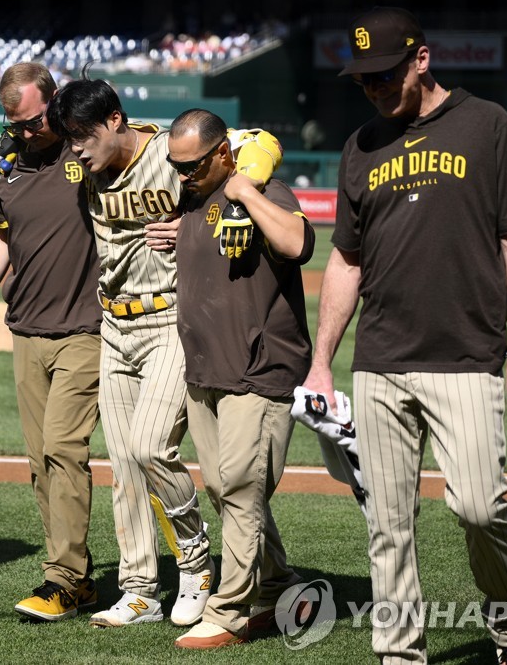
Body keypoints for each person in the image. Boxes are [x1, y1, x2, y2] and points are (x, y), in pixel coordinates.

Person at [301, 8, 507, 665]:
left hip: (464, 356)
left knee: (478, 509)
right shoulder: (362, 146)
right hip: (378, 361)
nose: (375, 88)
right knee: (388, 524)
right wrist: (322, 362)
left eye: (384, 74)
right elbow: (346, 261)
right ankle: (399, 654)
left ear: (422, 58)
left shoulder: (486, 124)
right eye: (363, 80)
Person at [44, 75, 217, 630]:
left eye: (81, 134)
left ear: (115, 120)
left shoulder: (171, 153)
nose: (75, 147)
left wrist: (190, 228)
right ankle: (140, 589)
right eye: (68, 137)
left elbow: (249, 159)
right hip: (114, 324)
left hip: (169, 318)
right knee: (123, 464)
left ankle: (196, 564)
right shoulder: (87, 169)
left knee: (150, 446)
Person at [0, 62, 103, 622]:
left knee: (65, 449)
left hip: (86, 327)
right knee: (42, 461)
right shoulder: (8, 162)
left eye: (35, 121)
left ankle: (62, 579)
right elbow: (2, 239)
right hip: (27, 329)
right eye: (14, 124)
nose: (27, 132)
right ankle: (75, 577)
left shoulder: (86, 149)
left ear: (56, 101)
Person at [166, 108, 313, 649]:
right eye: (176, 167)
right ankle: (279, 587)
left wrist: (245, 194)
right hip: (207, 369)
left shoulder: (267, 190)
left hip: (260, 369)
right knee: (224, 488)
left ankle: (228, 612)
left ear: (224, 153)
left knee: (244, 489)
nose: (183, 176)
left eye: (194, 166)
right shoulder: (192, 196)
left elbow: (297, 244)